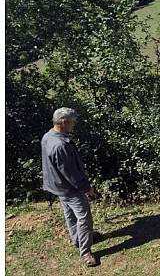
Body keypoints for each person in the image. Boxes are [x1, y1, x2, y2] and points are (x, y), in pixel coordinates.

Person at [41, 107, 100, 267]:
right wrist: (86, 188)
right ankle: (85, 251)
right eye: (72, 122)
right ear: (64, 122)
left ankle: (77, 239)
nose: (74, 125)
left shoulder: (48, 136)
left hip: (58, 187)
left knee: (70, 215)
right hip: (70, 188)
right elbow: (71, 173)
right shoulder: (60, 145)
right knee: (84, 218)